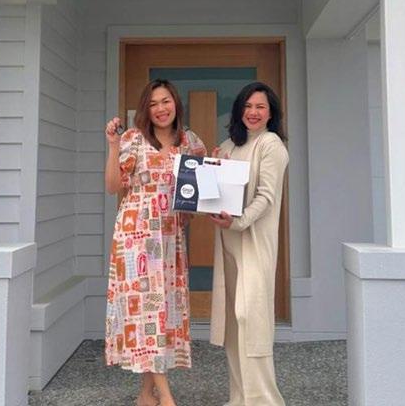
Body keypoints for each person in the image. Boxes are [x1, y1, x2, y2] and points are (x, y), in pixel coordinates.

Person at [104, 79, 206, 406]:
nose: (161, 109)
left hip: (170, 236)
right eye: (153, 104)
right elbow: (112, 186)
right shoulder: (133, 139)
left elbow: (202, 186)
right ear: (145, 110)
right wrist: (112, 146)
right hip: (136, 235)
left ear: (176, 102)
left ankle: (146, 395)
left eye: (166, 101)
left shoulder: (190, 142)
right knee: (146, 311)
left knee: (160, 312)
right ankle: (167, 397)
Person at [209, 81, 289, 406]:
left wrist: (238, 222)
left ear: (271, 114)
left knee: (250, 318)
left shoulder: (271, 145)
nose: (253, 112)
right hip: (228, 244)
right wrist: (210, 169)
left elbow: (266, 197)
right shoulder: (228, 146)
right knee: (233, 322)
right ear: (239, 110)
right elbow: (217, 194)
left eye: (260, 107)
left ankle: (264, 401)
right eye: (248, 106)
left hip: (254, 242)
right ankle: (239, 398)